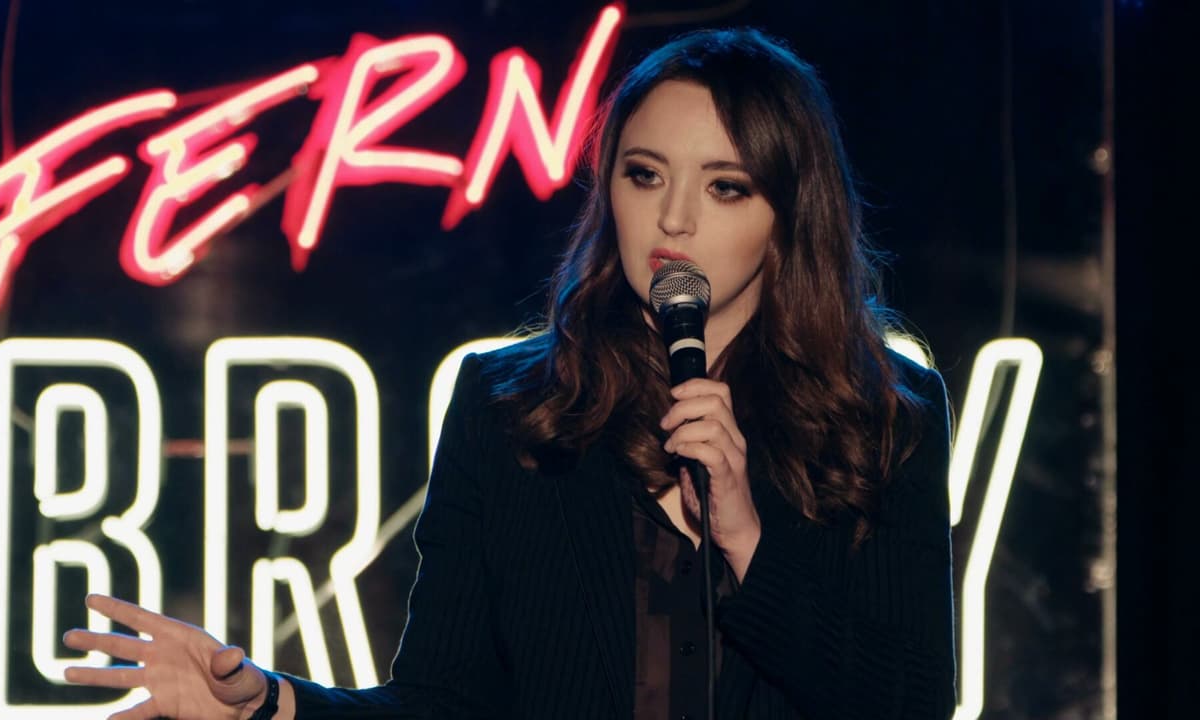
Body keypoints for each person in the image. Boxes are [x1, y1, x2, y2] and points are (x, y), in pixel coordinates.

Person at [63, 27, 957, 719]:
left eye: (726, 186)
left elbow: (913, 702)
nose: (675, 218)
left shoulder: (884, 417)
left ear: (788, 213)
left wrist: (748, 542)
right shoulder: (513, 410)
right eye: (644, 175)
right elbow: (440, 703)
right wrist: (267, 702)